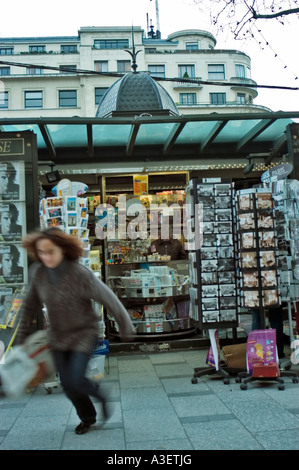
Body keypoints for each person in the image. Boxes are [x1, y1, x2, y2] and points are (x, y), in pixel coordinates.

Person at [16, 227, 135, 435]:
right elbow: (28, 307)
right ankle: (87, 417)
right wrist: (20, 339)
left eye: (50, 251)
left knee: (74, 379)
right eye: (41, 252)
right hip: (58, 337)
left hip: (84, 333)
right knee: (69, 385)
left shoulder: (79, 273)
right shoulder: (39, 274)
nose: (46, 257)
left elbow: (108, 298)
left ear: (62, 249)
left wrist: (125, 325)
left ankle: (101, 396)